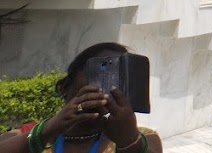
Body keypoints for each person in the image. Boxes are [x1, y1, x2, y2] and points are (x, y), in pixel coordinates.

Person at [0, 43, 161, 153]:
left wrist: (129, 142)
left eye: (119, 78)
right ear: (65, 87)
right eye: (101, 71)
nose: (108, 86)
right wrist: (47, 130)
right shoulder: (24, 135)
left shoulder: (144, 138)